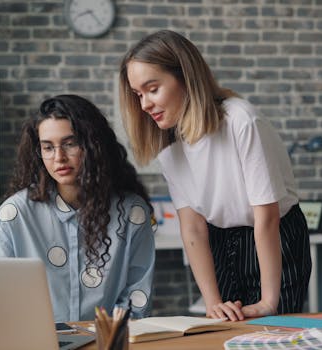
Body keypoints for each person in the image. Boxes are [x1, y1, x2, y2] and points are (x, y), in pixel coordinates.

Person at [119, 30, 311, 321]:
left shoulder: (241, 121)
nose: (144, 104)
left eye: (152, 89)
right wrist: (212, 303)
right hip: (221, 240)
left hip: (275, 235)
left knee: (271, 333)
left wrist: (269, 302)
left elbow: (267, 217)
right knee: (225, 328)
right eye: (138, 94)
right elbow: (193, 230)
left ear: (185, 77)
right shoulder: (171, 148)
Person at [0, 94, 155, 322]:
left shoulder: (132, 214)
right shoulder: (16, 214)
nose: (59, 157)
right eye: (48, 147)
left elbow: (137, 299)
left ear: (93, 145)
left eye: (70, 144)